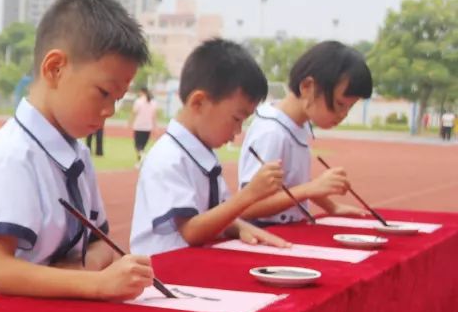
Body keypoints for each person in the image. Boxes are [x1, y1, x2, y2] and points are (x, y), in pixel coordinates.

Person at [0, 0, 154, 308]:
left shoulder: (77, 154)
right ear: (55, 68)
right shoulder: (11, 157)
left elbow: (101, 246)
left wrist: (83, 270)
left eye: (118, 99)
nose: (110, 110)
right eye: (104, 93)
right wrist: (96, 283)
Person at [130, 39, 290, 256]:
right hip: (166, 275)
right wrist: (250, 195)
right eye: (236, 118)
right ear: (199, 103)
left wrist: (241, 227)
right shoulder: (168, 159)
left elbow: (215, 214)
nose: (237, 131)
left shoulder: (203, 154)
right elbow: (191, 231)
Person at [239, 41, 374, 224]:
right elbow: (247, 207)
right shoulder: (271, 132)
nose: (343, 115)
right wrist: (311, 188)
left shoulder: (296, 124)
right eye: (340, 104)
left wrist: (331, 207)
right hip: (266, 232)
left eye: (350, 107)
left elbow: (293, 182)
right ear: (307, 87)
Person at [129, 87, 159, 166]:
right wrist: (155, 127)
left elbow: (134, 112)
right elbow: (154, 116)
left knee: (137, 145)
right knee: (142, 145)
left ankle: (141, 157)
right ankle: (139, 162)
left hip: (139, 126)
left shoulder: (138, 101)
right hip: (148, 127)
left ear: (142, 92)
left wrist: (130, 122)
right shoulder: (154, 102)